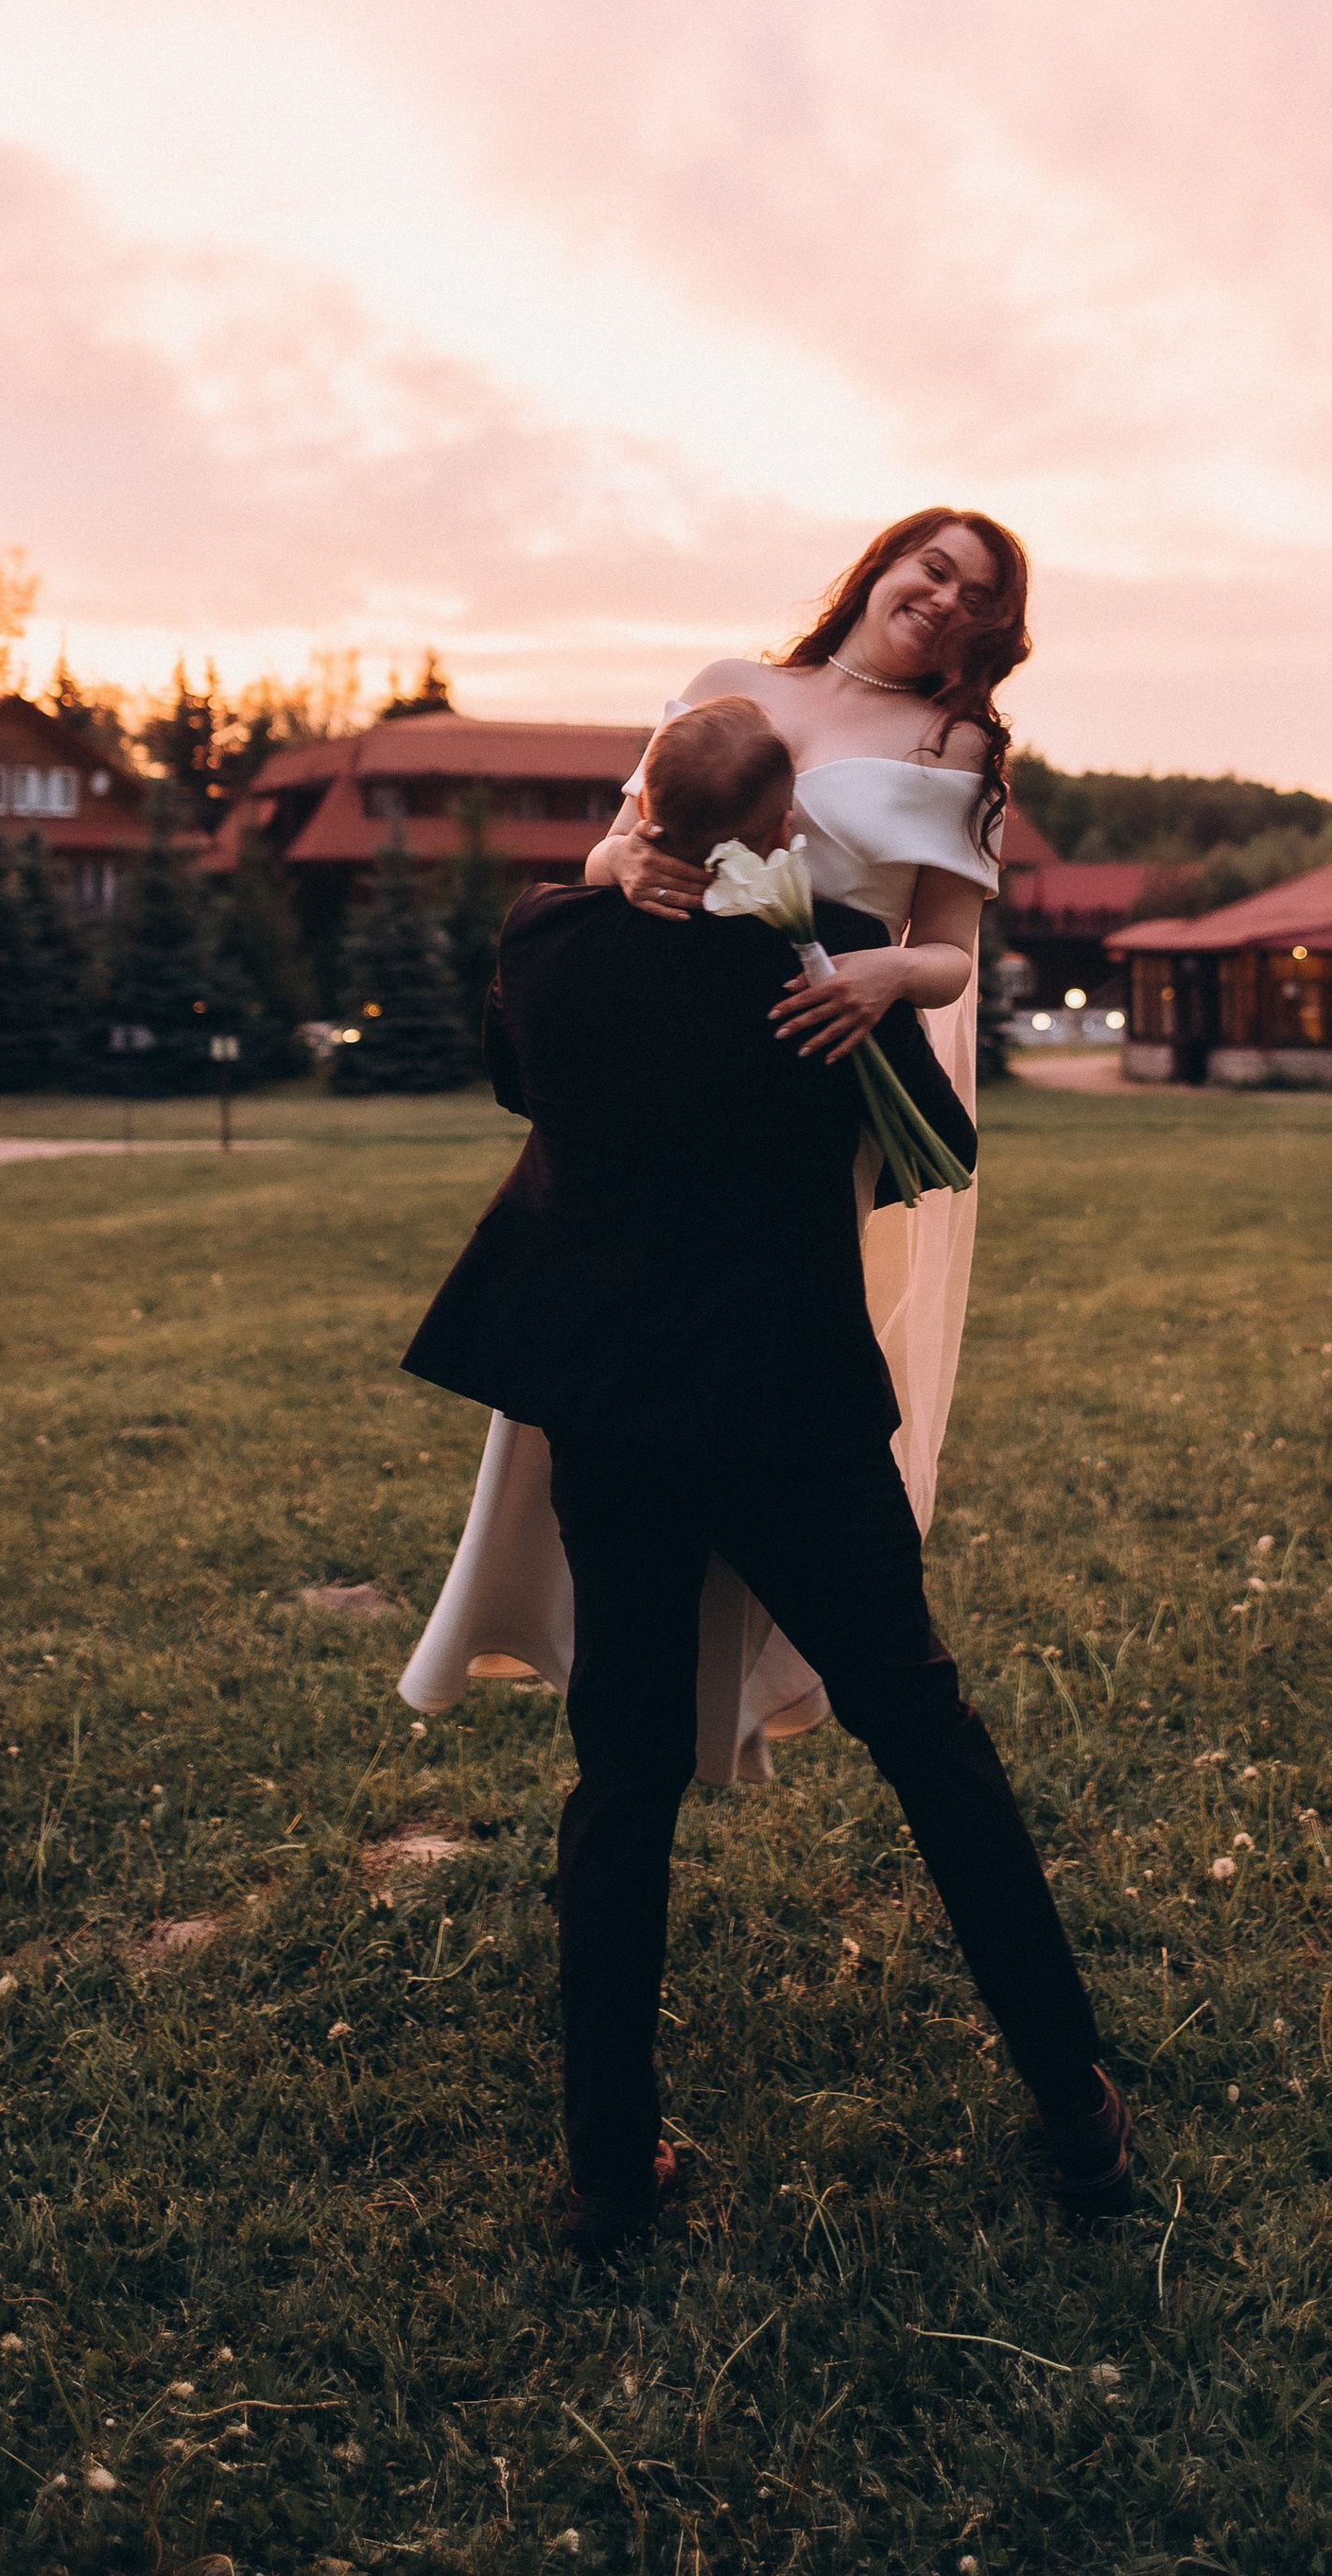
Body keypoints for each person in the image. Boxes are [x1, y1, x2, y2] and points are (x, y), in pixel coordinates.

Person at [400, 693, 1130, 2253]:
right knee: (925, 1732)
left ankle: (607, 2174)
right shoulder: (822, 961)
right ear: (780, 828)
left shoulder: (543, 940)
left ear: (640, 801)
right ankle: (1080, 2113)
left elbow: (518, 1081)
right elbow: (936, 1140)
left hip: (609, 1411)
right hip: (789, 1406)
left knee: (626, 1771)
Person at [399, 509, 1024, 1779]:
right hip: (655, 1064)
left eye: (978, 596)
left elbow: (952, 955)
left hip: (806, 1061)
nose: (946, 601)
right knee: (629, 1364)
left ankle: (771, 1663)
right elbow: (618, 845)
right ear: (884, 565)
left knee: (766, 1370)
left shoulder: (960, 746)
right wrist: (627, 866)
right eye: (933, 568)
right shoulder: (732, 687)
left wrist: (879, 975)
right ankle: (619, 1670)